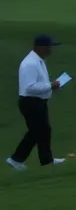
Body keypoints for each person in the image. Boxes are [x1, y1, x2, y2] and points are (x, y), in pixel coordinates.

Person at [6, 35, 66, 171]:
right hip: (30, 102)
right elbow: (29, 87)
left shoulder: (38, 60)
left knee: (42, 131)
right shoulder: (30, 63)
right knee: (37, 132)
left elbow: (38, 83)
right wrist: (50, 86)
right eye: (49, 47)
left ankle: (46, 160)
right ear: (40, 48)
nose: (51, 50)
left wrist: (51, 86)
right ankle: (16, 159)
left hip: (37, 102)